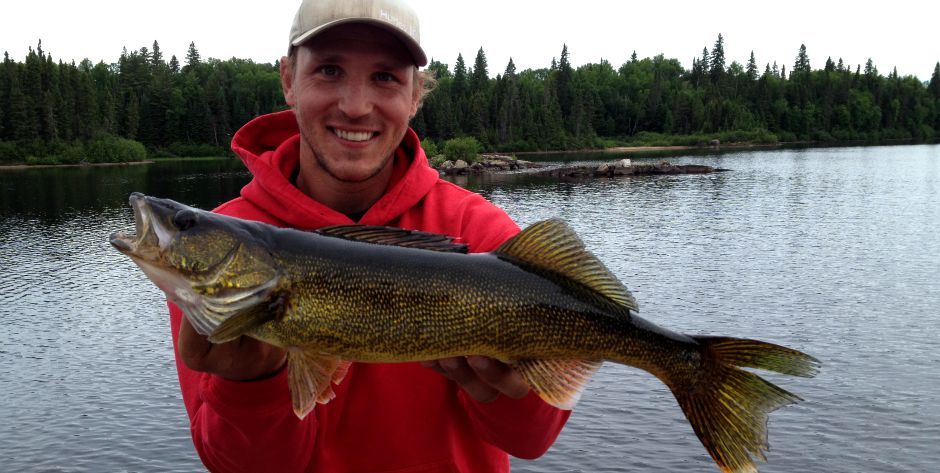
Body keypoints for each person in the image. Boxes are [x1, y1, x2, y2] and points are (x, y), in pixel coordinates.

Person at [167, 0, 571, 471]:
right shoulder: (227, 248)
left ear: (415, 95)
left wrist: (517, 393)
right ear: (288, 80)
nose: (355, 107)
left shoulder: (477, 232)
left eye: (385, 76)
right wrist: (251, 387)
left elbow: (530, 440)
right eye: (329, 70)